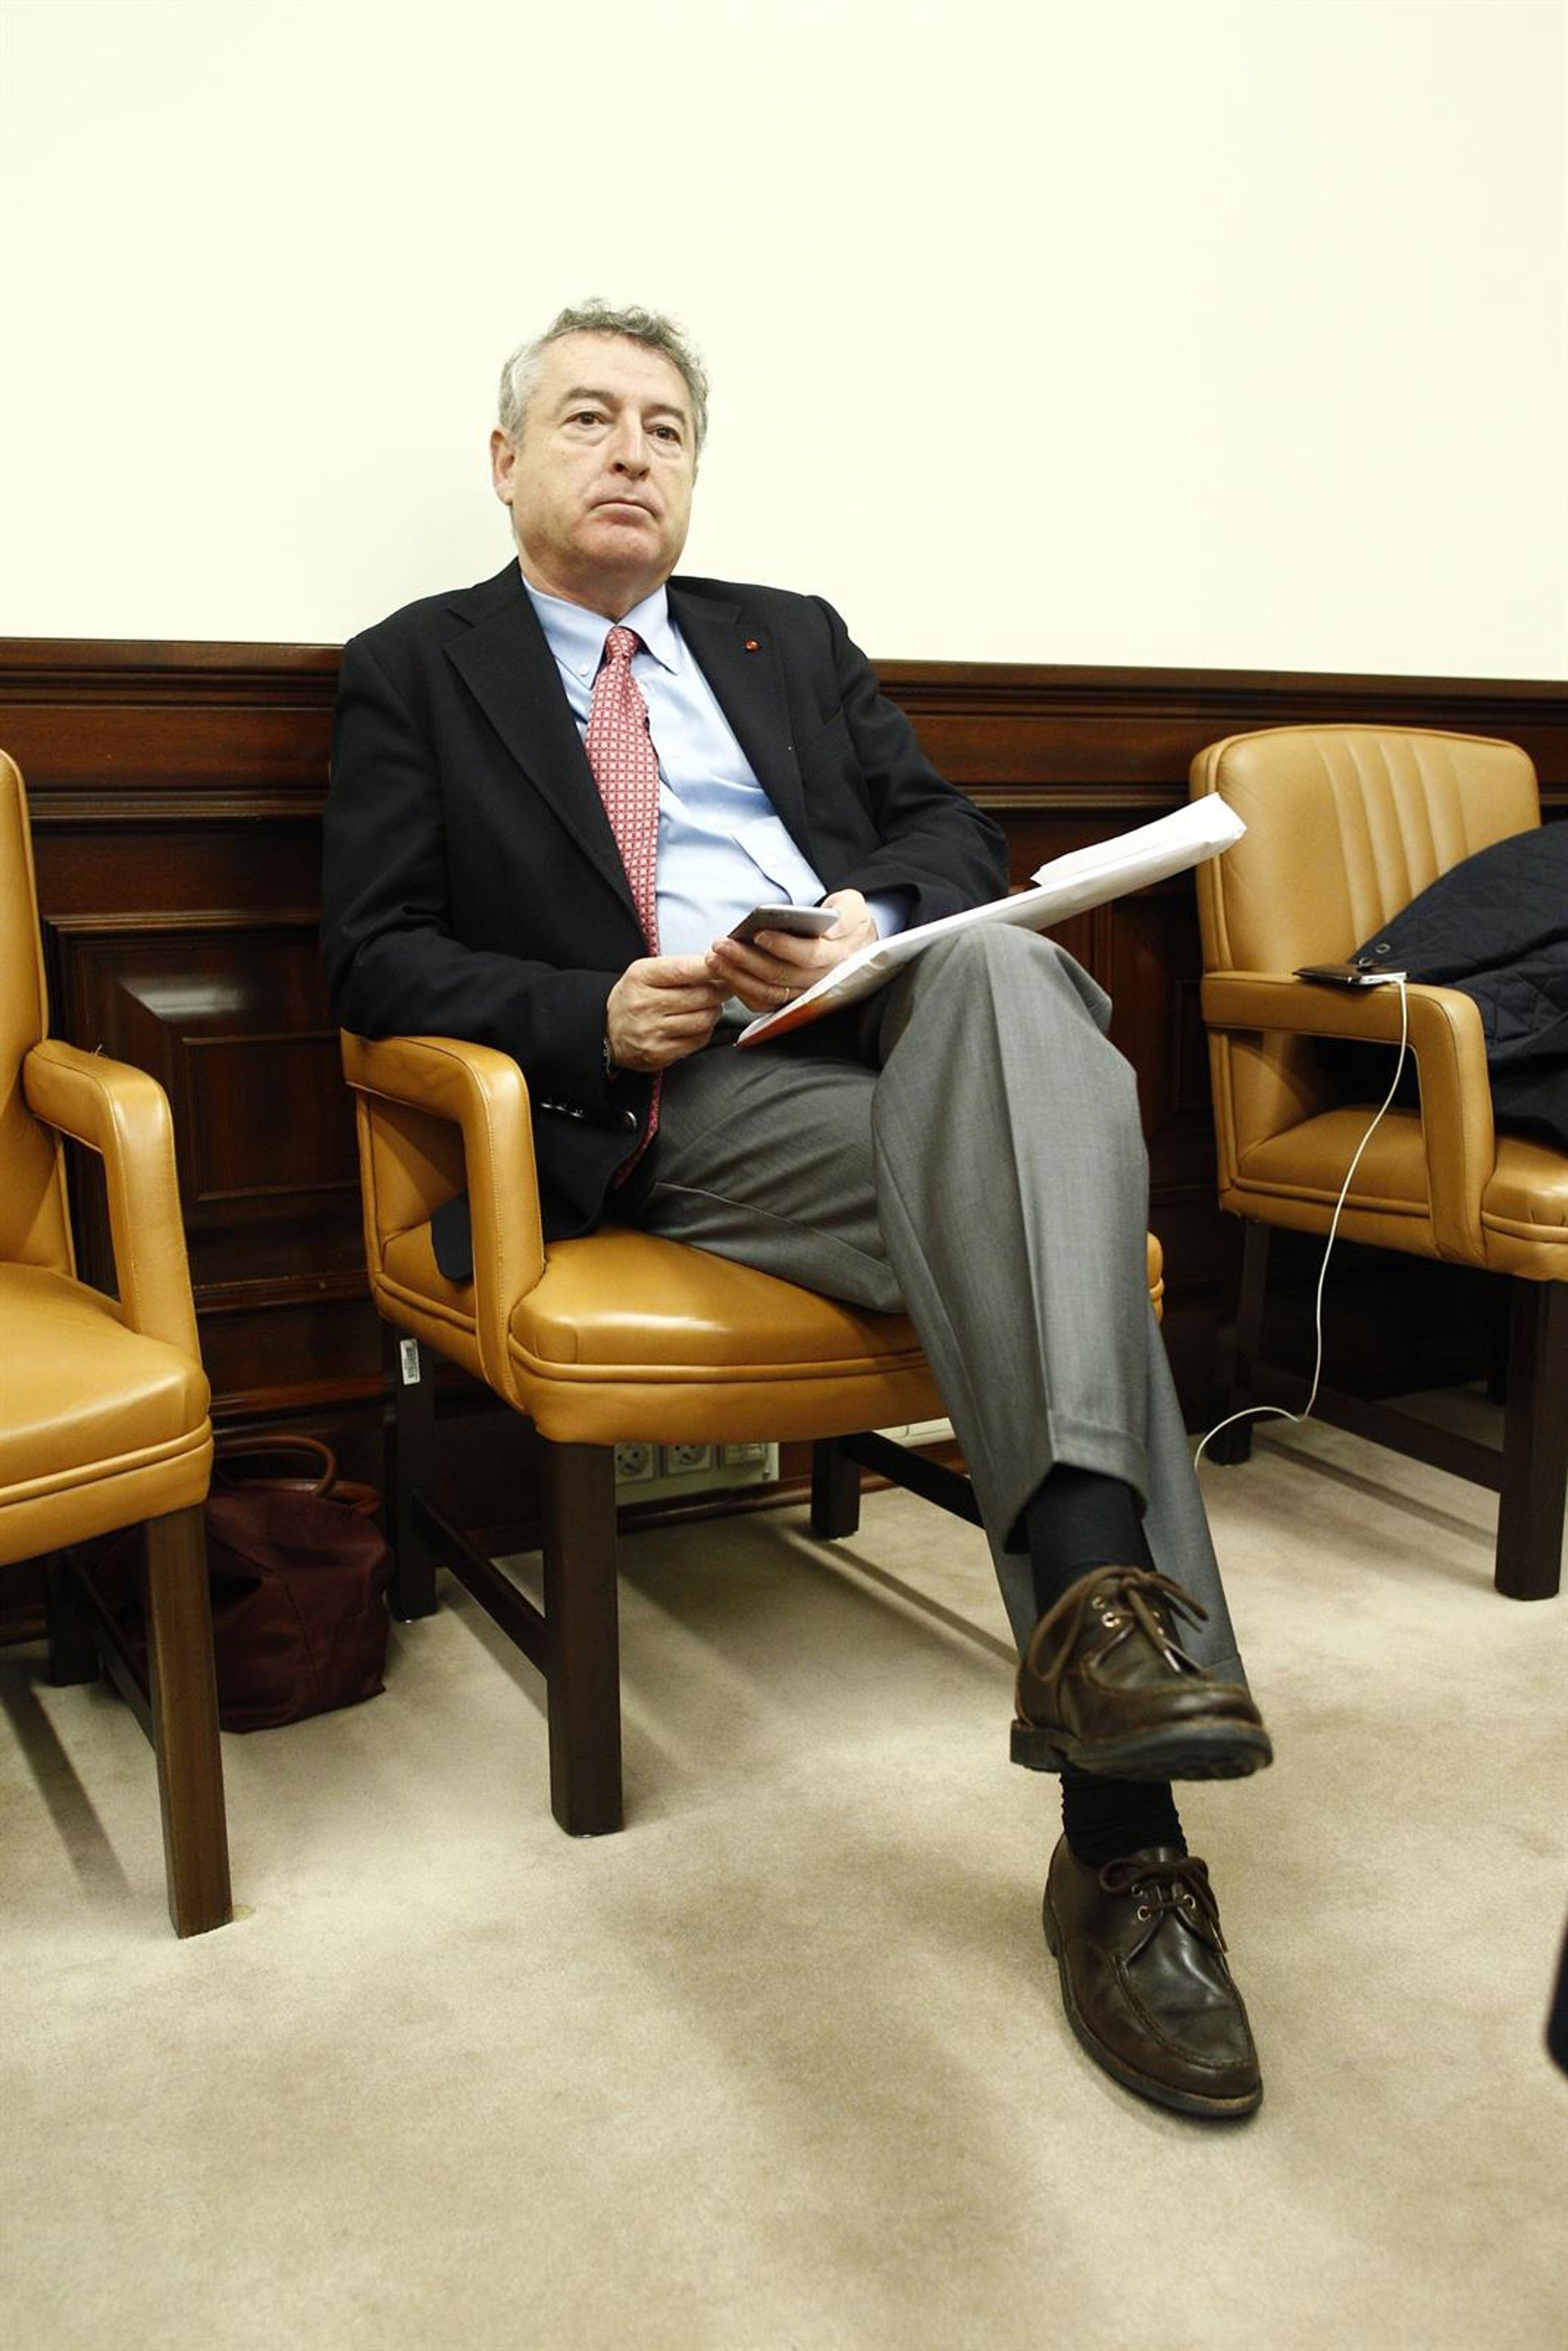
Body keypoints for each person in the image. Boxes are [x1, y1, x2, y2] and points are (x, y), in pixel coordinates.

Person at [322, 301, 1275, 2119]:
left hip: (897, 1028)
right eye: (587, 418)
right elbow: (374, 956)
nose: (631, 451)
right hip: (691, 1094)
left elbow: (949, 835)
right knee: (1056, 1203)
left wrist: (859, 918)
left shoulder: (790, 635)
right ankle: (1128, 1835)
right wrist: (589, 1009)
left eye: (665, 427)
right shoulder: (417, 668)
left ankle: (1102, 1681)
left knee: (1001, 972)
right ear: (506, 462)